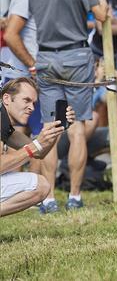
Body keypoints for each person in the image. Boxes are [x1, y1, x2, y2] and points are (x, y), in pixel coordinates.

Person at [28, 0, 109, 211]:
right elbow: (101, 15)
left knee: (51, 128)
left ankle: (48, 199)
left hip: (46, 57)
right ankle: (74, 196)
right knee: (76, 128)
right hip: (75, 58)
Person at [4, 0, 55, 201]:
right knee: (18, 136)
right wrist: (33, 66)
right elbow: (11, 34)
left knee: (31, 137)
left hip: (29, 78)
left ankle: (40, 195)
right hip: (23, 78)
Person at [0, 78, 74, 217]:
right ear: (7, 98)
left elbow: (39, 153)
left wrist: (55, 131)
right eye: (26, 100)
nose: (32, 108)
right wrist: (36, 145)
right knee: (40, 185)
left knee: (41, 186)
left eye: (34, 103)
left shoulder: (5, 123)